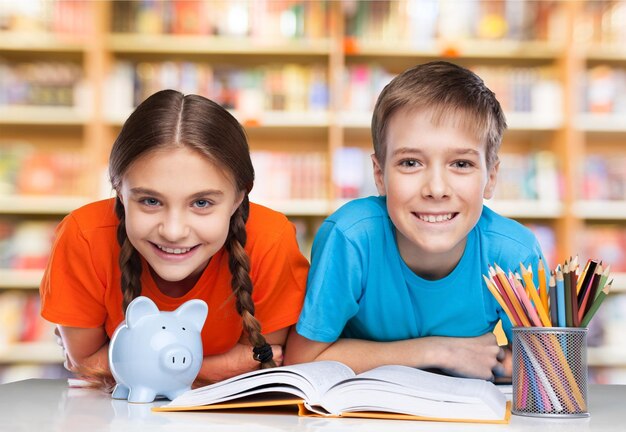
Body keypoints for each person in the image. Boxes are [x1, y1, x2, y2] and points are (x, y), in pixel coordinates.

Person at [284, 61, 546, 381]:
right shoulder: (352, 238)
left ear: (490, 178)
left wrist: (508, 363)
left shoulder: (514, 254)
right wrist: (438, 351)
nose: (436, 189)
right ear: (380, 175)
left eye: (461, 164)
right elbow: (301, 361)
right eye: (410, 162)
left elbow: (545, 367)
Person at [40, 89, 309, 386]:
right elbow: (86, 361)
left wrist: (118, 366)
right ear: (119, 189)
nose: (173, 231)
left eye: (202, 203)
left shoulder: (270, 239)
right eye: (150, 201)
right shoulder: (84, 236)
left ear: (238, 198)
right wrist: (211, 368)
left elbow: (265, 362)